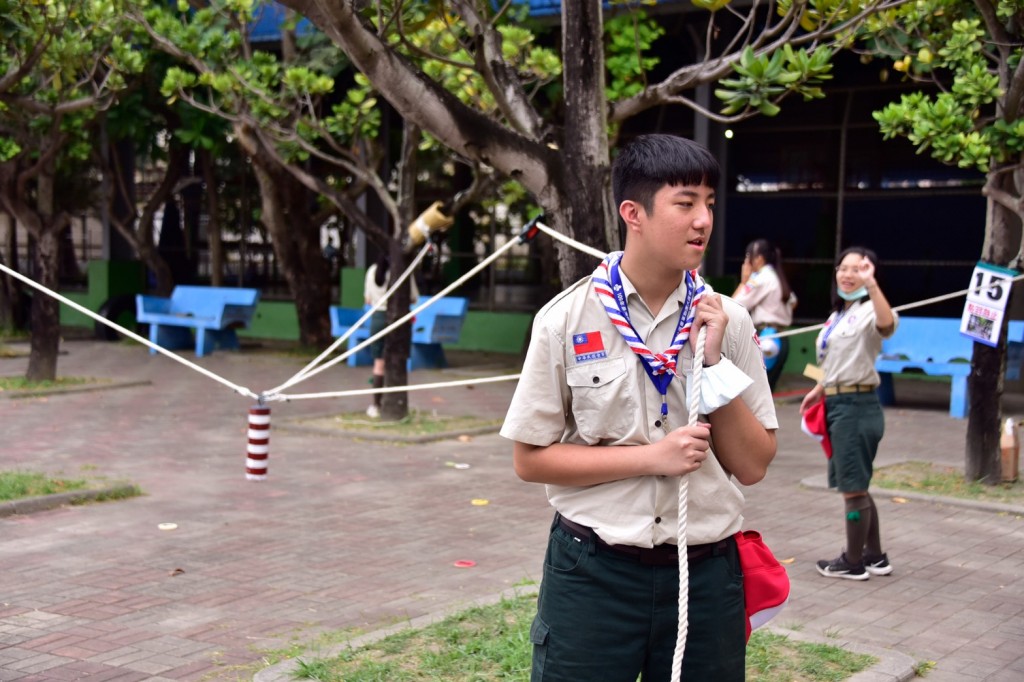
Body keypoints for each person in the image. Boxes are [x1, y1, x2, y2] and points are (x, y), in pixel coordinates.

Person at [500, 134, 778, 681]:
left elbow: (753, 465)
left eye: (710, 204)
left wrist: (715, 362)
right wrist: (652, 458)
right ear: (634, 214)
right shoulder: (565, 320)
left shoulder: (729, 321)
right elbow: (530, 460)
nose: (703, 220)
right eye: (685, 203)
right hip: (593, 574)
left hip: (705, 577)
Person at [799, 246, 897, 580]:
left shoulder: (871, 309)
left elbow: (886, 325)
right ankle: (874, 556)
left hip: (857, 406)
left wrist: (872, 286)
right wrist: (818, 388)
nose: (847, 273)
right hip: (837, 402)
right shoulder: (838, 314)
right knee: (859, 484)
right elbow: (832, 360)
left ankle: (852, 563)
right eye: (843, 267)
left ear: (870, 273)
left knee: (853, 489)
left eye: (858, 268)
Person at [732, 238, 797, 391]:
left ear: (759, 258)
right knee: (768, 393)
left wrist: (743, 282)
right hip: (781, 337)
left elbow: (735, 304)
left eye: (748, 257)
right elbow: (793, 301)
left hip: (766, 336)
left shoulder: (760, 278)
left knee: (756, 394)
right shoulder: (776, 276)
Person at [363, 254, 418, 418]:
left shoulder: (372, 271)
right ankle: (397, 404)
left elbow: (367, 299)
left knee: (378, 365)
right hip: (398, 318)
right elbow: (413, 297)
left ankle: (376, 405)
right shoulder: (403, 270)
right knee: (397, 361)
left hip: (378, 318)